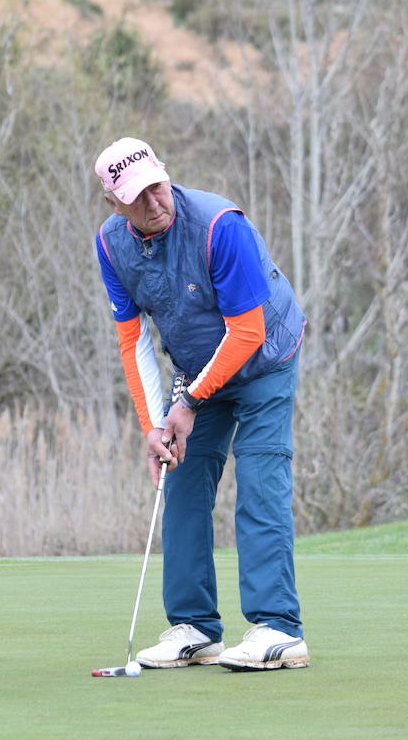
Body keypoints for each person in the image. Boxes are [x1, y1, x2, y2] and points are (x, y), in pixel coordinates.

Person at [93, 136, 309, 671]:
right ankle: (194, 627)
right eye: (137, 197)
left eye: (156, 187)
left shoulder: (219, 225)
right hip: (198, 371)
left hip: (265, 361)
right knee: (182, 479)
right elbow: (133, 338)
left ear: (166, 174)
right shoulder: (111, 245)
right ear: (113, 205)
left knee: (260, 481)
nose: (153, 202)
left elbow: (247, 331)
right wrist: (153, 424)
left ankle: (279, 629)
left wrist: (186, 402)